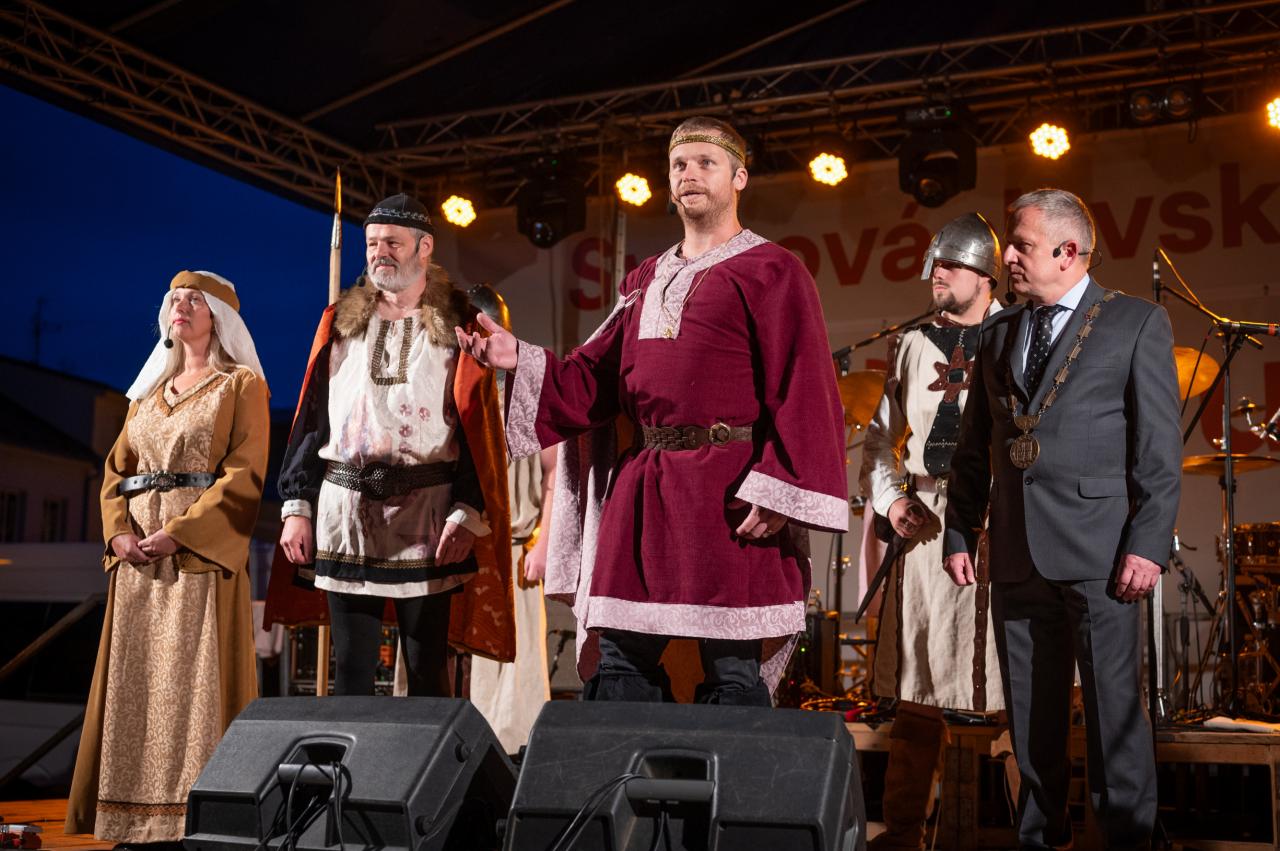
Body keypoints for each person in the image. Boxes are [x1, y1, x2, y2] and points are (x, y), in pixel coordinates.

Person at [456, 116, 848, 705]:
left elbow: (805, 386)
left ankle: (724, 771)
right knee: (618, 661)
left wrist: (780, 490)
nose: (690, 174)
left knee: (732, 671)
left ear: (739, 177)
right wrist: (520, 358)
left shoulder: (773, 270)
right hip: (645, 491)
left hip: (730, 492)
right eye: (679, 165)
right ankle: (632, 769)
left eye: (705, 163)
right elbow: (594, 380)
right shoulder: (645, 279)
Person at [943, 189, 1180, 849]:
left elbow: (1159, 451)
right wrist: (960, 530)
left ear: (1068, 251)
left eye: (1021, 245)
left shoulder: (1135, 322)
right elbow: (974, 448)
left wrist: (1148, 544)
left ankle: (1130, 840)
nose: (1007, 258)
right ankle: (1041, 840)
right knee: (1029, 724)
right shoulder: (997, 332)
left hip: (1105, 558)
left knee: (1114, 724)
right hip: (1017, 552)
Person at [268, 194, 513, 696]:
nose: (380, 253)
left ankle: (430, 753)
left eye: (393, 243)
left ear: (425, 248)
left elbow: (478, 428)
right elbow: (311, 419)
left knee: (427, 672)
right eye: (372, 243)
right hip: (346, 512)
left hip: (426, 514)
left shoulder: (460, 321)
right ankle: (352, 753)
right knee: (352, 672)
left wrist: (467, 510)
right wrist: (297, 506)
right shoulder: (338, 320)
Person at [66, 270, 270, 847]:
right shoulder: (149, 392)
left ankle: (189, 823)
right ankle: (131, 822)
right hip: (139, 562)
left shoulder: (240, 386)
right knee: (135, 685)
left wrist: (182, 534)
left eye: (193, 300)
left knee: (191, 686)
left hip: (197, 557)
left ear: (218, 318)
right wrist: (117, 534)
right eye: (174, 299)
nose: (180, 307)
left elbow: (245, 472)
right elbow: (116, 470)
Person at [859, 213, 1006, 849]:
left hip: (1000, 528)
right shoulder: (913, 344)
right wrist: (892, 499)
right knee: (915, 693)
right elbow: (880, 439)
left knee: (1016, 693)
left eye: (950, 265)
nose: (936, 274)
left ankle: (1041, 836)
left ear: (985, 273)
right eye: (934, 265)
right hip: (926, 533)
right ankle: (901, 835)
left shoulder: (1019, 336)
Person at [466, 285, 555, 753]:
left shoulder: (527, 393)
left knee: (511, 681)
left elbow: (555, 471)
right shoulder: (450, 391)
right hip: (457, 549)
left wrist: (544, 543)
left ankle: (508, 755)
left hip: (513, 548)